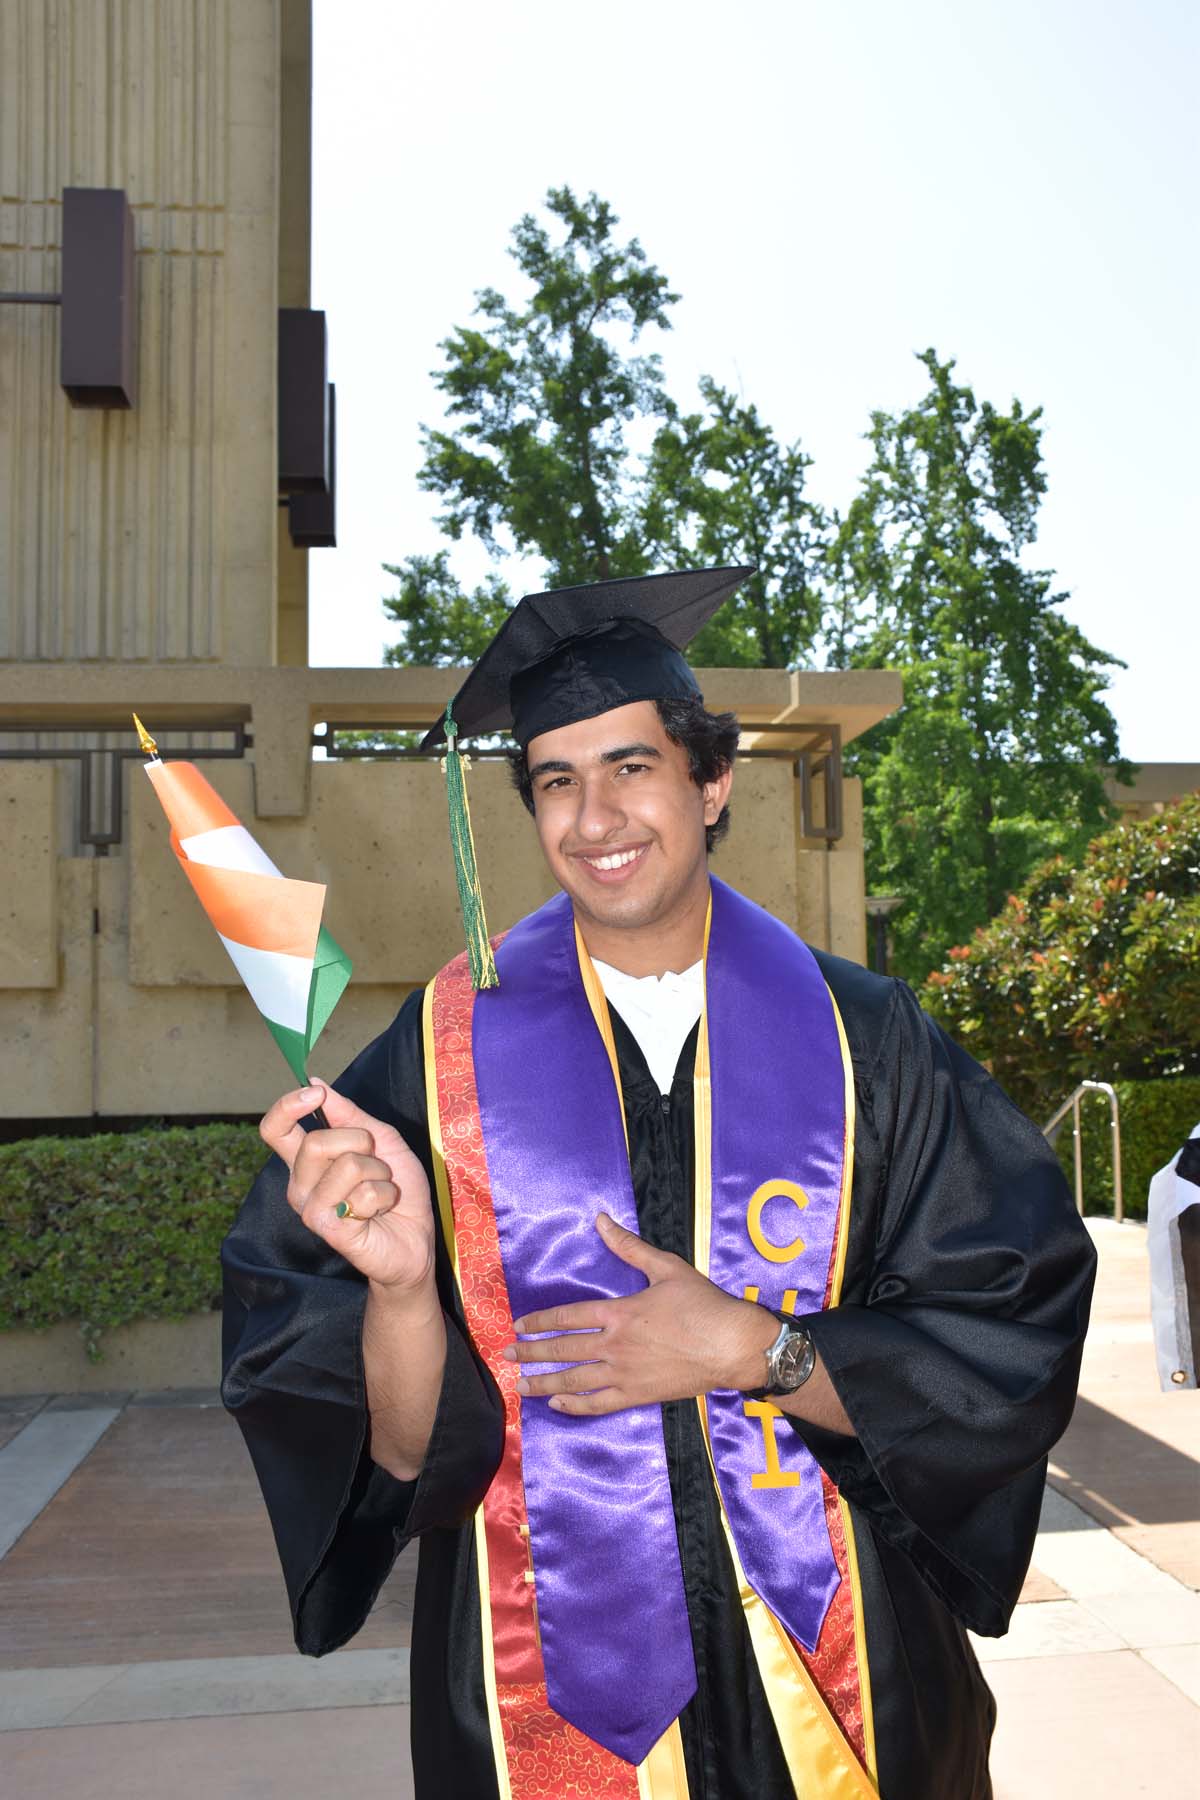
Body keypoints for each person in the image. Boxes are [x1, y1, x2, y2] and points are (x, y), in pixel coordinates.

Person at [222, 567, 1097, 1800]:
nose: (595, 818)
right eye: (556, 782)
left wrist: (759, 1350)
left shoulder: (869, 1044)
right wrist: (407, 1291)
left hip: (848, 1668)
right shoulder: (430, 1063)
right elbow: (401, 1457)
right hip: (541, 1684)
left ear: (711, 779)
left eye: (631, 766)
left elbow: (1007, 1340)